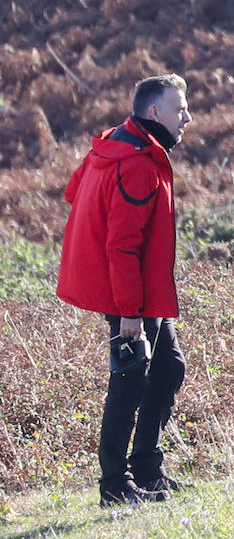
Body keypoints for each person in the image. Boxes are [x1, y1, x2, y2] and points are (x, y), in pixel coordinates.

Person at [57, 74, 193, 507]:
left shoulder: (117, 140)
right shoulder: (137, 163)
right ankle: (115, 484)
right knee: (130, 378)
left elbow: (73, 190)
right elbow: (122, 246)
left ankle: (147, 470)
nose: (187, 116)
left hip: (133, 287)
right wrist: (129, 311)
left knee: (167, 367)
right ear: (155, 112)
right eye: (180, 108)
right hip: (127, 291)